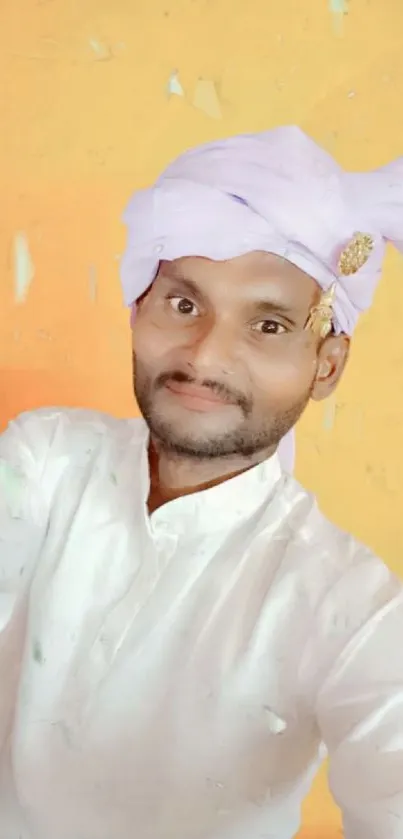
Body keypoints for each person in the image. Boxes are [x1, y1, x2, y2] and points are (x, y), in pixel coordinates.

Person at [1, 126, 403, 839]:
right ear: (137, 307)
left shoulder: (350, 605)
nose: (206, 354)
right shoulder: (47, 460)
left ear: (326, 364)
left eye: (270, 324)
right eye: (183, 304)